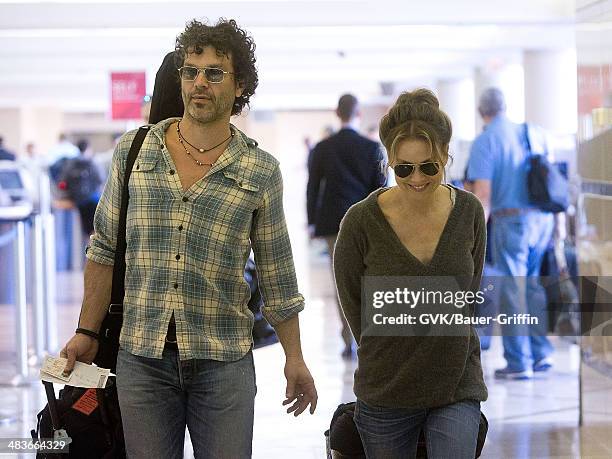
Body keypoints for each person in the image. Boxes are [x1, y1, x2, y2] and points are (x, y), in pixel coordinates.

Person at [60, 18, 317, 458]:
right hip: (142, 357)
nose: (199, 82)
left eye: (214, 72)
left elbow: (277, 274)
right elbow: (103, 250)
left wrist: (294, 356)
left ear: (240, 87)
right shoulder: (135, 151)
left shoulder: (260, 171)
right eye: (190, 70)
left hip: (223, 362)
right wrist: (87, 329)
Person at [333, 89, 488, 458]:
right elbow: (353, 306)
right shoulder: (361, 221)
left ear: (445, 157)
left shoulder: (468, 212)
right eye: (403, 168)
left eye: (429, 166)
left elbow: (468, 295)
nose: (416, 178)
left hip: (456, 384)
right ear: (389, 161)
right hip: (386, 389)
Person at [467, 87, 555, 380]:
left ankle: (519, 361)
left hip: (512, 222)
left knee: (511, 289)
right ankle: (541, 353)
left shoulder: (487, 140)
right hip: (542, 221)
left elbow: (483, 193)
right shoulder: (533, 132)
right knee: (532, 286)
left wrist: (473, 235)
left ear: (482, 112)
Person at [307, 94, 386, 358]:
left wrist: (311, 222)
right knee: (368, 279)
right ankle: (369, 335)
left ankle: (348, 336)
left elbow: (313, 188)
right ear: (359, 114)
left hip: (333, 224)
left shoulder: (323, 148)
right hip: (366, 225)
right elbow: (380, 191)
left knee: (341, 281)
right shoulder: (371, 148)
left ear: (336, 112)